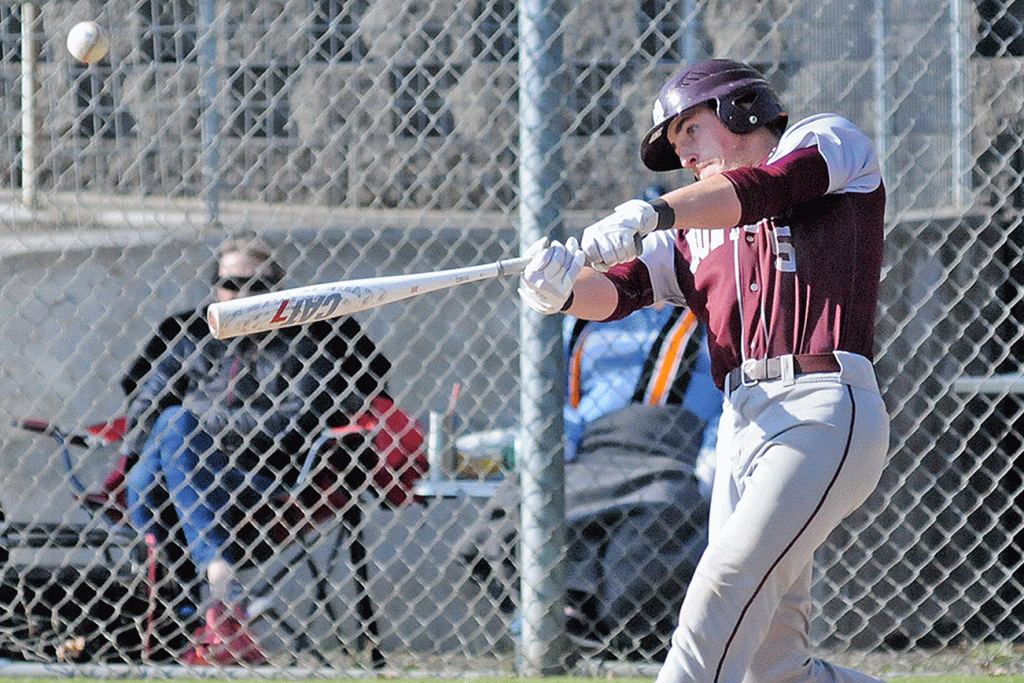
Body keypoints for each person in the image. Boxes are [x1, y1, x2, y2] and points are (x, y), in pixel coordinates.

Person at [518, 59, 889, 683]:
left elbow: (763, 192)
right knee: (775, 673)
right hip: (744, 421)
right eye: (675, 142)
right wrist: (556, 290)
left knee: (724, 582)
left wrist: (656, 213)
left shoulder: (826, 142)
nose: (684, 153)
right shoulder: (691, 237)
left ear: (741, 110)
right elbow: (618, 291)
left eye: (690, 130)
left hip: (822, 407)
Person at [122, 234, 398, 662]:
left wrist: (199, 421)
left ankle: (175, 603)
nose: (242, 296)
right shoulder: (191, 340)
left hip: (262, 485)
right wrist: (189, 428)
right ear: (216, 288)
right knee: (170, 434)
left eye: (258, 287)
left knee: (177, 423)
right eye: (231, 285)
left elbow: (297, 421)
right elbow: (141, 412)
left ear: (279, 292)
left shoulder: (307, 344)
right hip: (175, 482)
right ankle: (221, 595)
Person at [460, 304, 722, 660]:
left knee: (656, 524)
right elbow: (560, 403)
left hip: (671, 454)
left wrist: (711, 461)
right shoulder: (585, 316)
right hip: (590, 452)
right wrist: (548, 449)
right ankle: (556, 623)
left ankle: (602, 643)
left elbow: (733, 402)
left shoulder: (713, 317)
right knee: (502, 522)